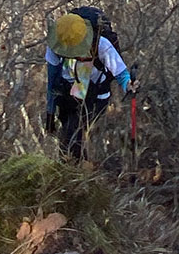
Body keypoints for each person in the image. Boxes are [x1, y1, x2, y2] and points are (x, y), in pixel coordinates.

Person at [45, 10, 133, 159]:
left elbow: (121, 73)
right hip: (68, 94)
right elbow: (52, 81)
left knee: (75, 135)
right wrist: (50, 113)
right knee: (67, 136)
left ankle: (79, 171)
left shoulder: (101, 44)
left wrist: (129, 85)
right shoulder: (55, 46)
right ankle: (75, 171)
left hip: (96, 95)